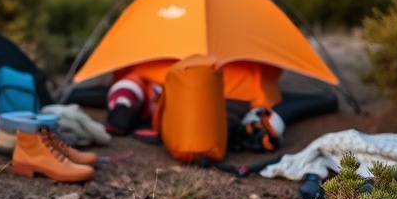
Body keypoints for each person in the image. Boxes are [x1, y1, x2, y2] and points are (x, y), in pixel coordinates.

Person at [104, 58, 286, 151]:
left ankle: (127, 102)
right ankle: (131, 101)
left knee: (135, 85)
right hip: (235, 88)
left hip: (163, 80)